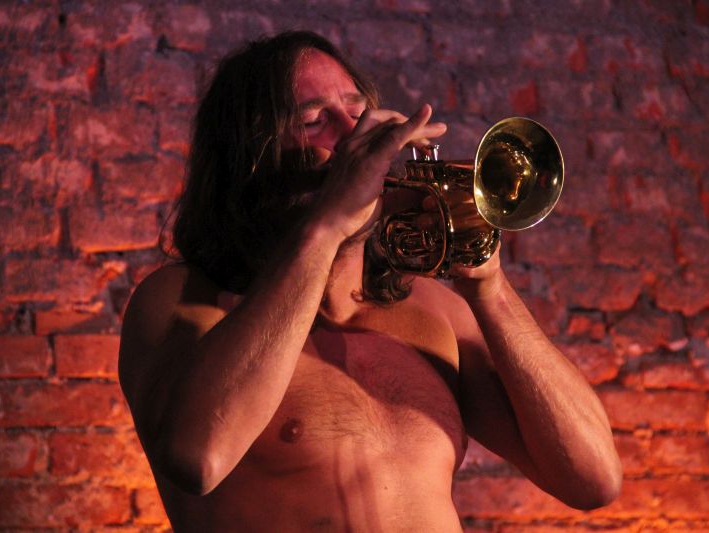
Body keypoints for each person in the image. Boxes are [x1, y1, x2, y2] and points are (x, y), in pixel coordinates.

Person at [118, 31, 622, 532]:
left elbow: (592, 479)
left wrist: (489, 287)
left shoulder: (435, 313)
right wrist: (327, 223)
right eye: (315, 121)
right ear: (251, 157)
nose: (355, 135)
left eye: (358, 112)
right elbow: (195, 458)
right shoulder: (184, 299)